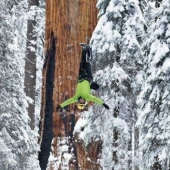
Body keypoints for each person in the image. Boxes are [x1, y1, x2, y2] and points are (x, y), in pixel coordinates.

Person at [56, 44, 109, 111]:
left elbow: (68, 102)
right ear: (84, 102)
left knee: (82, 63)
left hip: (80, 78)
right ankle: (89, 49)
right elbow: (96, 99)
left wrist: (60, 106)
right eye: (82, 102)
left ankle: (84, 50)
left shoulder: (75, 98)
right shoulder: (87, 97)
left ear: (78, 102)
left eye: (80, 102)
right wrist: (103, 104)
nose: (81, 101)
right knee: (88, 63)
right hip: (88, 77)